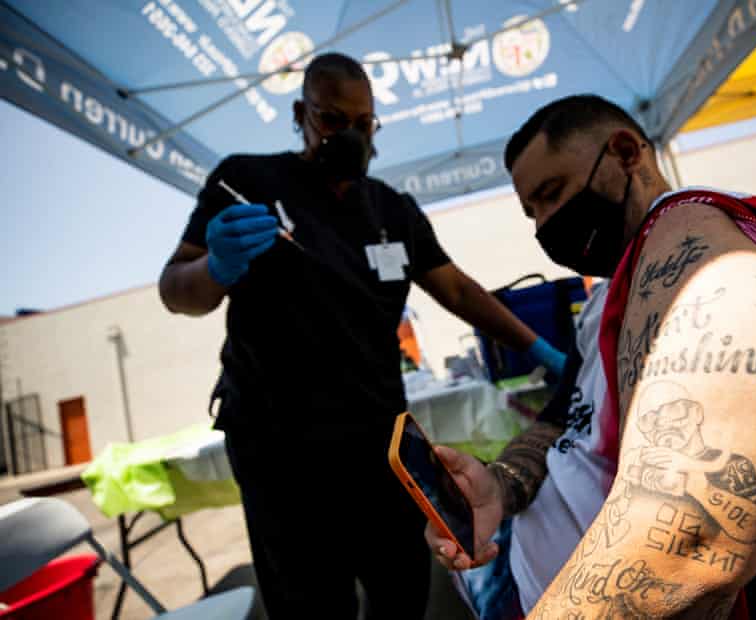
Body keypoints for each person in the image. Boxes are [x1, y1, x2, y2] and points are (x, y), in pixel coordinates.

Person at [426, 94, 756, 619]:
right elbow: (564, 415)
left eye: (553, 194)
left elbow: (692, 538)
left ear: (625, 153)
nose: (545, 226)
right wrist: (500, 485)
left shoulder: (693, 233)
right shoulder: (611, 294)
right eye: (533, 212)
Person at [158, 52, 566, 619]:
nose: (349, 134)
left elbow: (460, 291)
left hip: (379, 440)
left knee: (401, 587)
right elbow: (175, 288)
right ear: (302, 113)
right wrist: (215, 268)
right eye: (332, 120)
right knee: (309, 603)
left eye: (362, 122)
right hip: (279, 447)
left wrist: (539, 348)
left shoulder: (393, 210)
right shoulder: (246, 181)